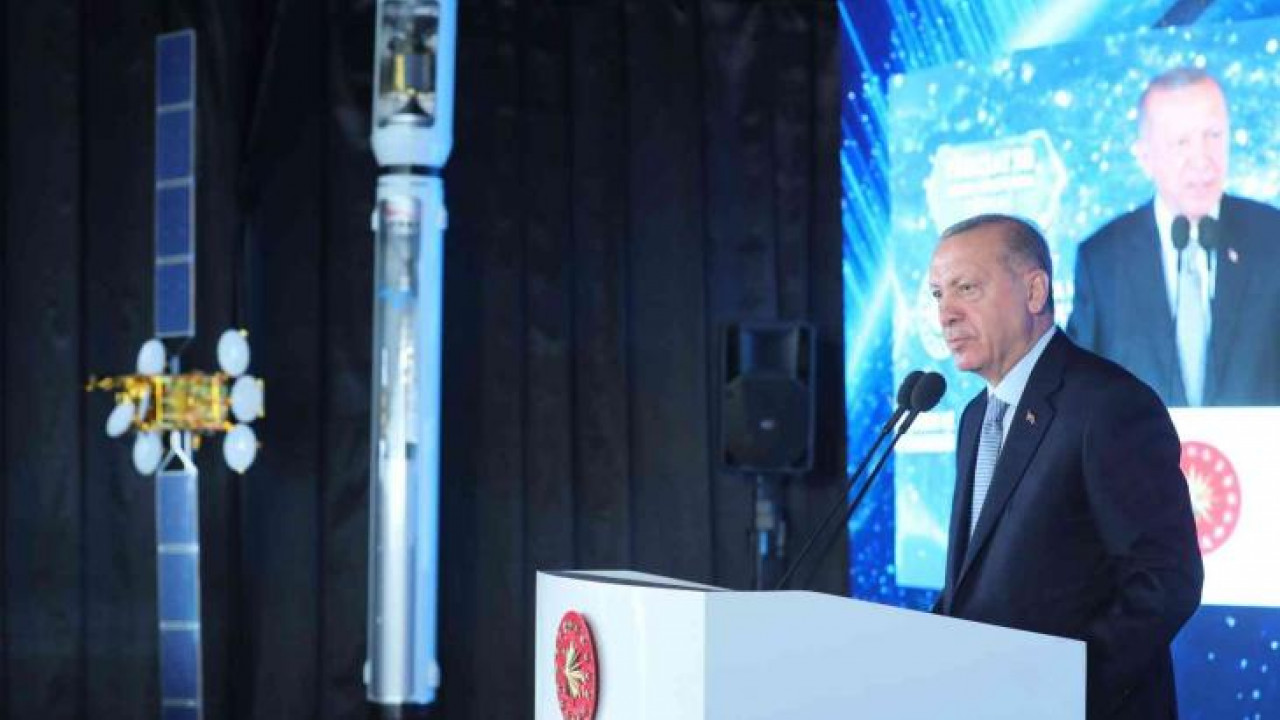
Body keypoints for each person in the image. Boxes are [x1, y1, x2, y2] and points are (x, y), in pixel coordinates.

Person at [929, 214, 1203, 720]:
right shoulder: (974, 418)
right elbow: (978, 582)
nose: (946, 314)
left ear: (1034, 291)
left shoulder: (1109, 405)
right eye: (937, 294)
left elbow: (1167, 581)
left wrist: (1062, 688)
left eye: (966, 288)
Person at [1067, 67, 1280, 407]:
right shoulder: (1103, 261)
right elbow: (1077, 391)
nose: (1201, 160)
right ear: (1145, 157)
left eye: (1213, 135)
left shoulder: (1272, 237)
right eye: (1181, 142)